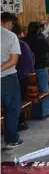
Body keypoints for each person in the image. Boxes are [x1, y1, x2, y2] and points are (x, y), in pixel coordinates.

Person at [1, 12, 23, 148]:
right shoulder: (10, 36)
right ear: (9, 23)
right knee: (12, 108)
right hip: (7, 77)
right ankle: (11, 140)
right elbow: (13, 60)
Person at [24, 22, 49, 118]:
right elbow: (48, 49)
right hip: (40, 66)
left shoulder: (24, 40)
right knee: (44, 88)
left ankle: (32, 112)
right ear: (38, 29)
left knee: (30, 90)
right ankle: (45, 111)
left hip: (28, 69)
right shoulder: (40, 39)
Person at [12, 22, 35, 130]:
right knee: (20, 98)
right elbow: (30, 59)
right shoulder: (21, 44)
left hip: (8, 75)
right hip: (20, 75)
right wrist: (30, 71)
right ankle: (20, 122)